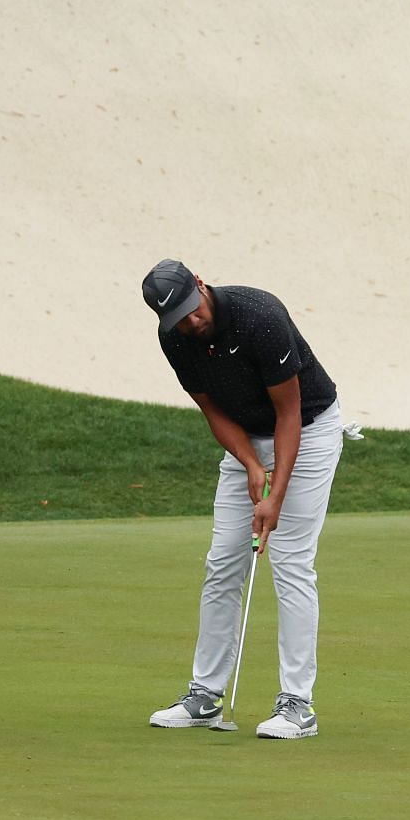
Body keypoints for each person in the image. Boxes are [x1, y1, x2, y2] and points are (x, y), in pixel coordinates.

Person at [141, 257, 352, 739]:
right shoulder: (174, 337)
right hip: (246, 437)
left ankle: (298, 704)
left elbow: (290, 413)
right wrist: (252, 465)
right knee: (222, 562)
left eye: (193, 311)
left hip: (309, 429)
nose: (191, 323)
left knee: (292, 560)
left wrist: (275, 494)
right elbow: (211, 409)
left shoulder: (259, 315)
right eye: (178, 319)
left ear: (200, 283)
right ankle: (204, 696)